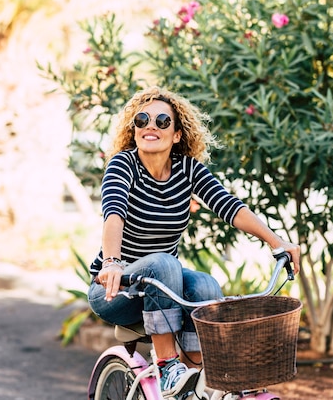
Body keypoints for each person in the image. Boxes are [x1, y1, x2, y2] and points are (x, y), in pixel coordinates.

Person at [87, 86, 301, 397]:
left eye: (162, 121)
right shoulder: (123, 166)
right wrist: (112, 262)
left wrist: (276, 241)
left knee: (205, 286)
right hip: (114, 288)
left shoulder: (188, 170)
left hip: (162, 286)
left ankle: (194, 379)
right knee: (163, 262)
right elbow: (114, 213)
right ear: (133, 130)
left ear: (176, 135)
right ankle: (167, 366)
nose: (151, 125)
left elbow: (228, 205)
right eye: (142, 119)